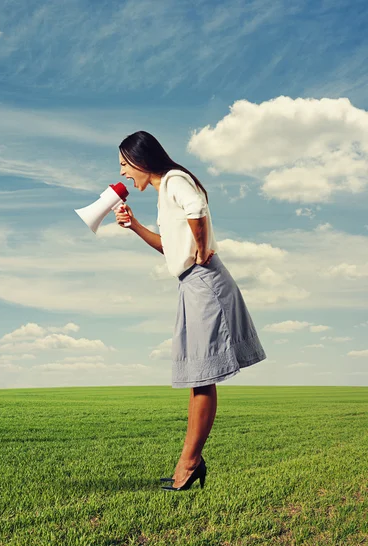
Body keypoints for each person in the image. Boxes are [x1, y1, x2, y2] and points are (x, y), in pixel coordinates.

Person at [114, 131, 266, 491]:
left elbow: (197, 210)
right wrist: (135, 226)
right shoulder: (163, 192)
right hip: (191, 283)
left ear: (140, 160)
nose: (122, 173)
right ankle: (190, 461)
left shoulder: (174, 180)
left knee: (201, 376)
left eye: (124, 164)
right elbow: (169, 247)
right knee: (199, 376)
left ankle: (189, 463)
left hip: (203, 280)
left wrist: (200, 249)